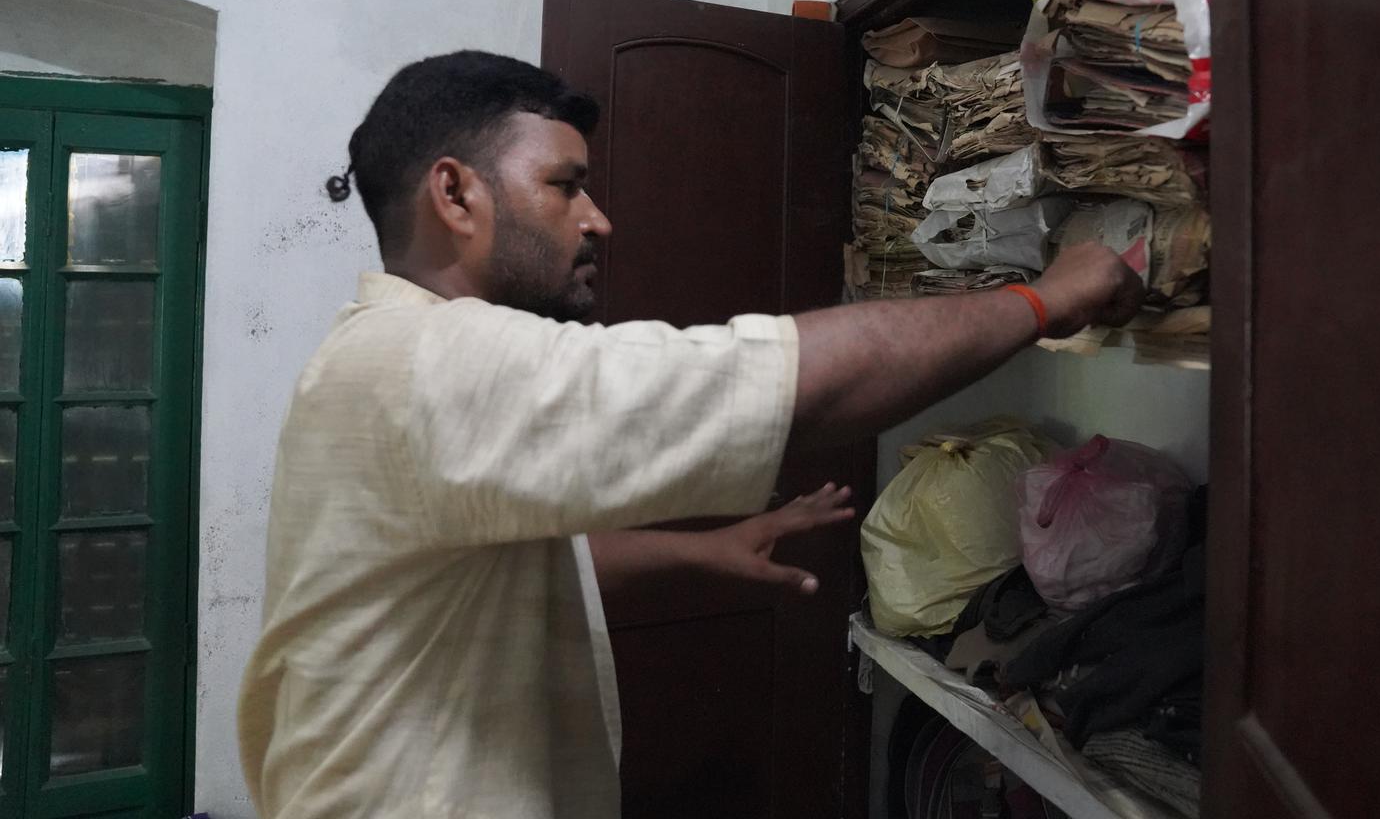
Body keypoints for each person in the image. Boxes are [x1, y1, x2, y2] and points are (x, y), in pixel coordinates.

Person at [237, 51, 1144, 818]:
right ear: (454, 193)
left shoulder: (385, 361)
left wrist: (705, 554)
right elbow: (795, 388)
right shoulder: (423, 363)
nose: (597, 219)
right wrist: (1045, 300)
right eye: (564, 186)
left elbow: (504, 559)